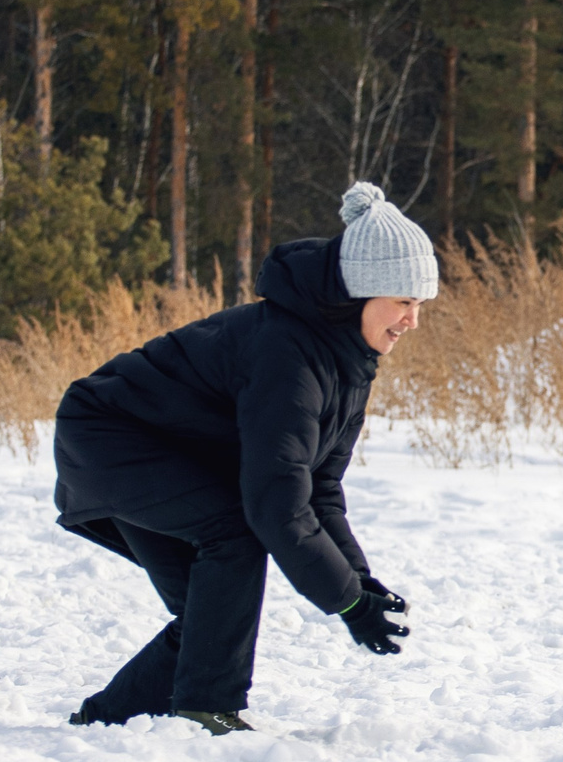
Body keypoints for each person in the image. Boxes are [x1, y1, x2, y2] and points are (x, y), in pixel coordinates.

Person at [52, 182, 436, 733]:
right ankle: (208, 709)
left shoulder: (348, 362)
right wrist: (346, 602)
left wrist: (359, 582)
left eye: (420, 304)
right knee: (234, 535)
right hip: (110, 439)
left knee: (213, 613)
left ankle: (107, 721)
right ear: (359, 293)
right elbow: (276, 504)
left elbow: (318, 487)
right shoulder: (288, 357)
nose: (412, 320)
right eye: (403, 301)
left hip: (166, 450)